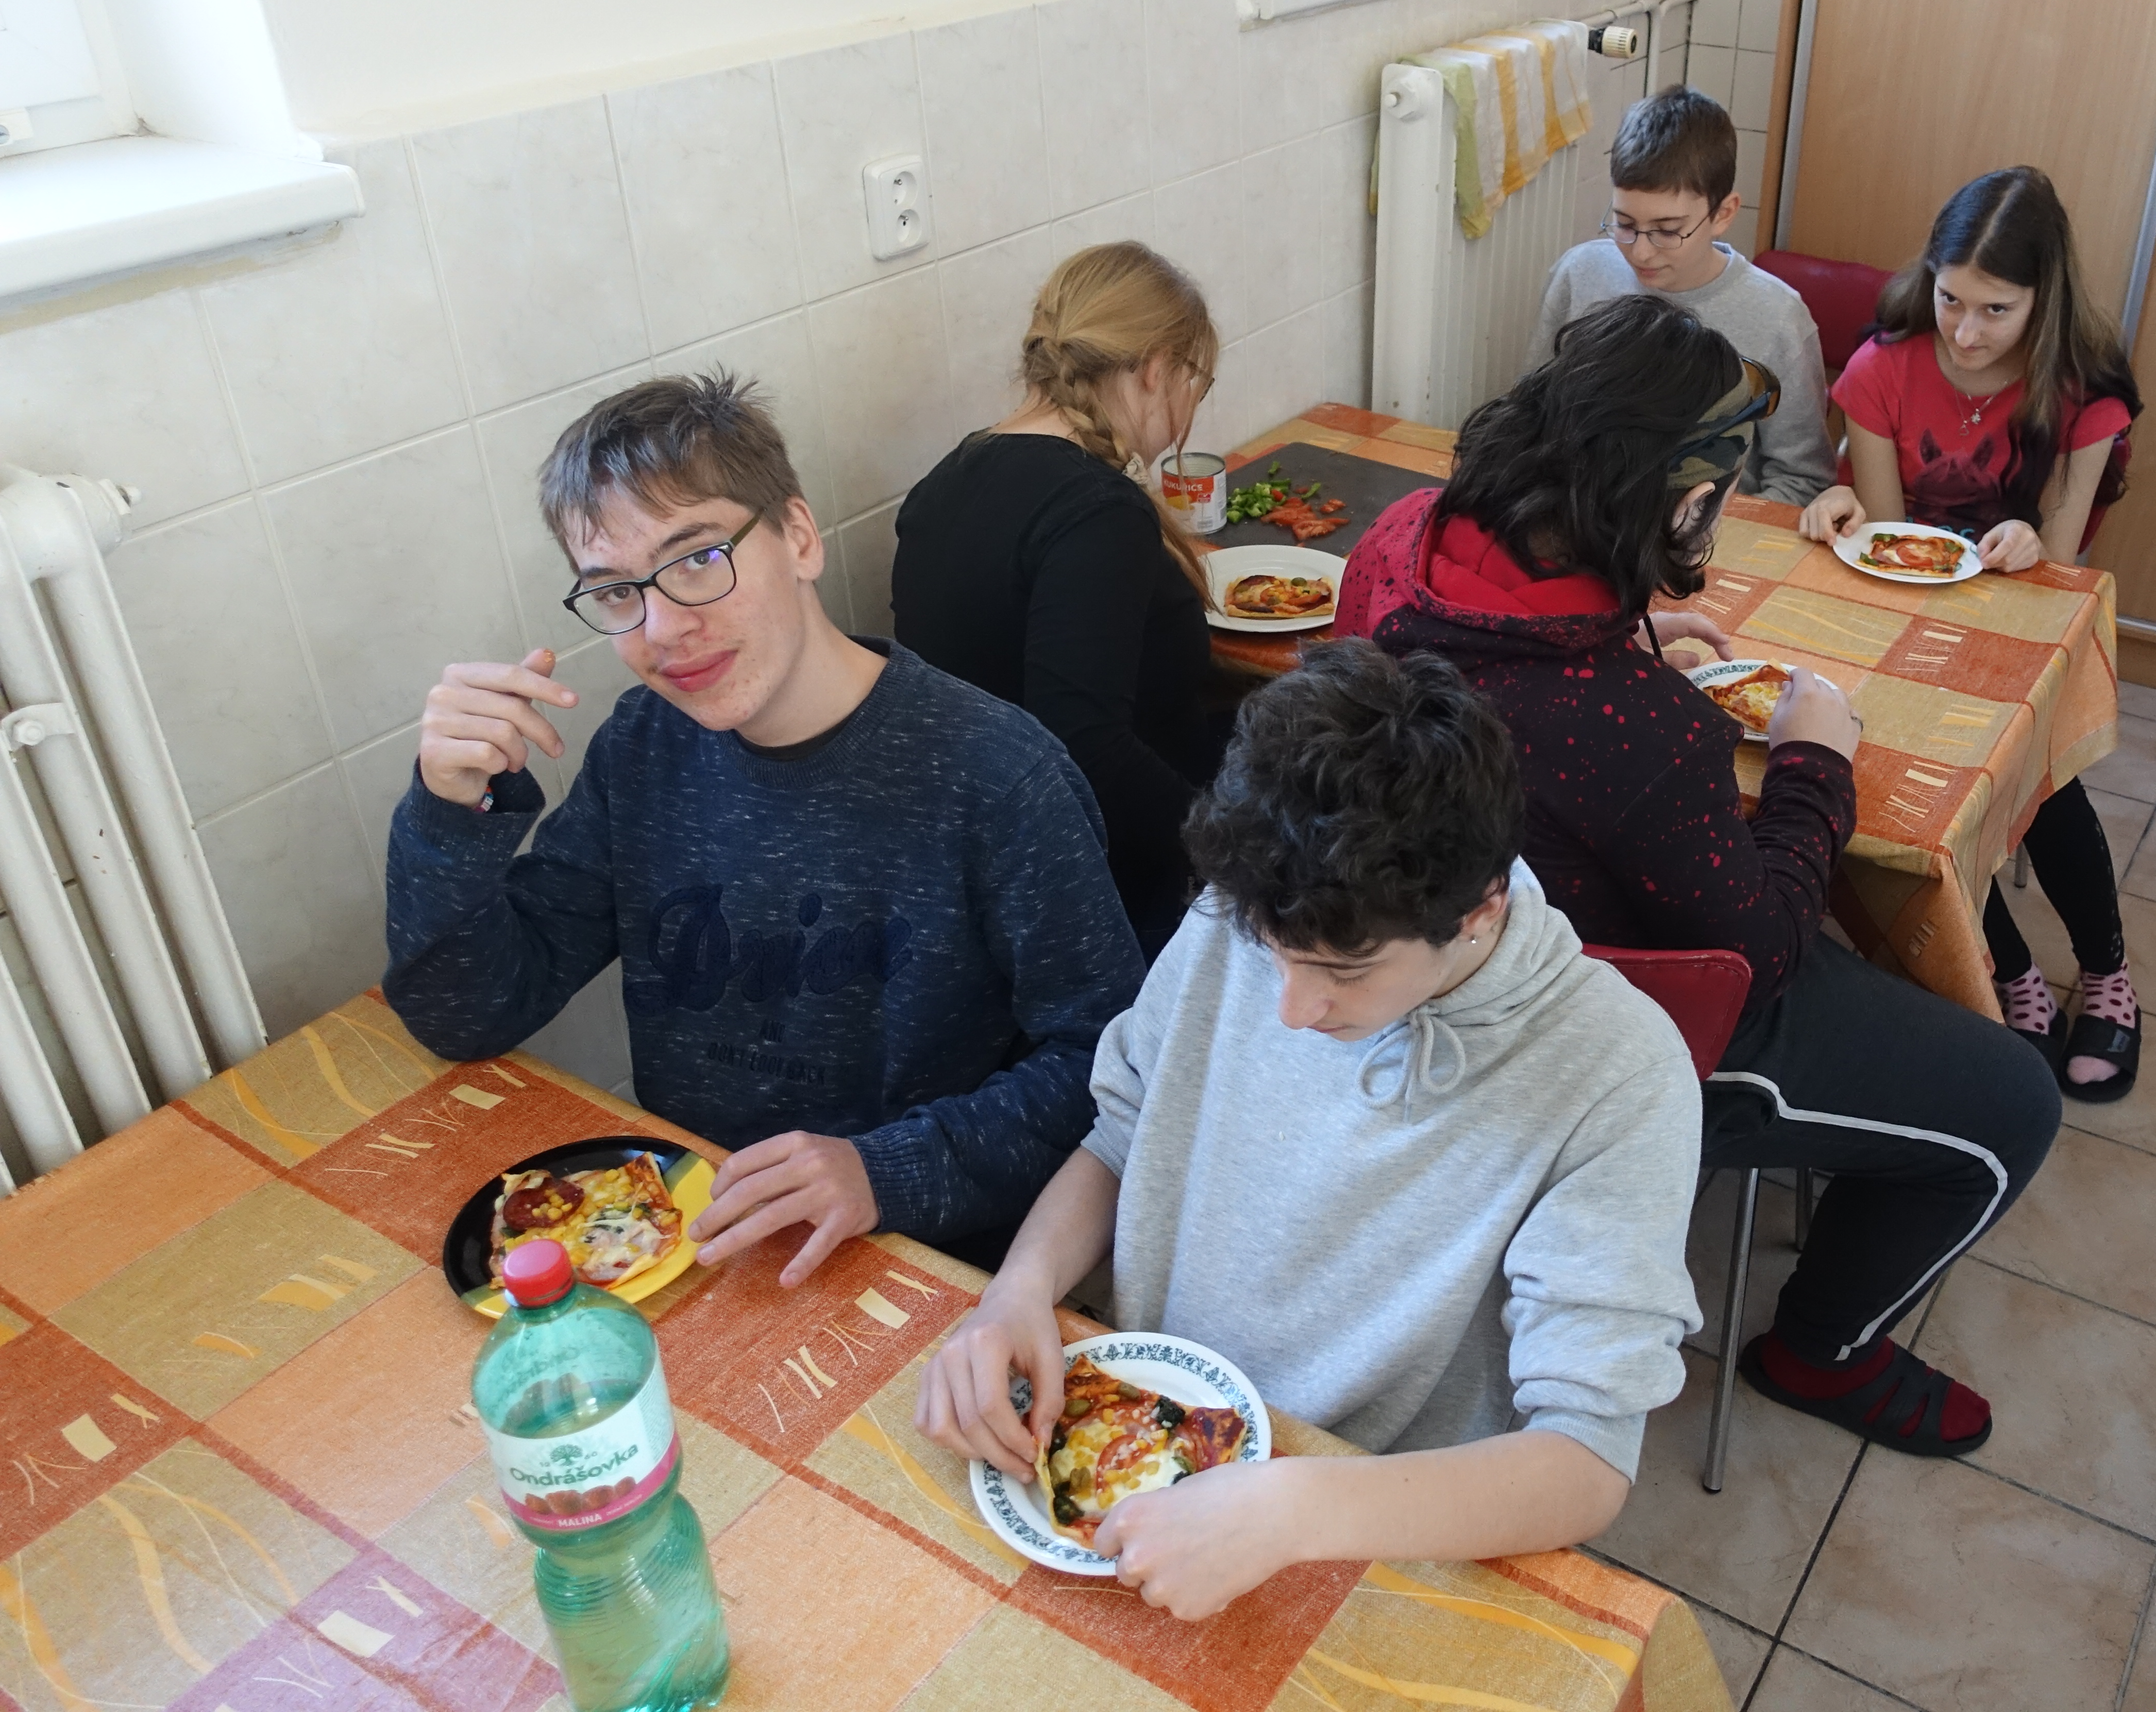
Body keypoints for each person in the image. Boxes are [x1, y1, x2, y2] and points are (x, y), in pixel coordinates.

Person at [1334, 294, 2059, 1457]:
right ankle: (1820, 1349)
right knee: (2011, 1102)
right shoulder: (1633, 727)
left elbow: (1502, 671)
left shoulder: (1401, 539)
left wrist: (1625, 640)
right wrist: (1815, 762)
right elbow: (1759, 953)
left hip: (1415, 981)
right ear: (1682, 501)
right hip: (1603, 1034)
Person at [918, 640, 1702, 1621]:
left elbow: (1584, 1462)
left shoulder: (1618, 1069)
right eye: (1273, 953)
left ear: (1480, 910)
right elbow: (1122, 1135)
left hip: (1371, 1523)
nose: (1291, 1007)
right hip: (1143, 1435)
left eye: (1344, 971)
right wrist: (1019, 1289)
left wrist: (1292, 1509)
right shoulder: (1252, 905)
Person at [385, 372, 1146, 1286]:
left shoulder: (997, 774)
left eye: (699, 558)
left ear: (800, 538)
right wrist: (447, 810)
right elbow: (466, 1013)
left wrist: (882, 1170)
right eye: (617, 592)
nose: (664, 627)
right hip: (689, 1242)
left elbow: (1109, 1069)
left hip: (929, 1264)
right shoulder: (642, 747)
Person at [1796, 167, 2146, 1099]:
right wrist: (1839, 503)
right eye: (1950, 299)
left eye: (1997, 310)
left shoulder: (2081, 394)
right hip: (1909, 619)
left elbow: (2059, 570)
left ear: (2043, 299)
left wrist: (2030, 540)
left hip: (2022, 621)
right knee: (1903, 794)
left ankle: (2107, 971)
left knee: (2039, 783)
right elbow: (1886, 537)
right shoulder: (1883, 367)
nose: (1964, 331)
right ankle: (2010, 970)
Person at [890, 243, 1233, 957]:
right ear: (1155, 368)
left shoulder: (945, 480)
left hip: (989, 872)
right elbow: (1085, 745)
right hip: (1110, 891)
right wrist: (1232, 854)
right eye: (1195, 382)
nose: (1191, 408)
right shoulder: (1098, 513)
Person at [1532, 84, 1833, 505]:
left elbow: (1803, 480)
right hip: (1581, 515)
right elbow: (1533, 422)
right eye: (1624, 224)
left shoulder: (1778, 316)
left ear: (1723, 214)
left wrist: (1703, 529)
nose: (1641, 251)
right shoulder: (1579, 274)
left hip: (1710, 531)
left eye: (1668, 231)